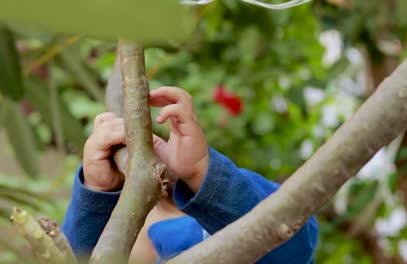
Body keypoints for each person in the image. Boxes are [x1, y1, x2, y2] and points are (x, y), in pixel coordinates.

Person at [62, 86, 319, 263]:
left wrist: (200, 173)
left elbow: (291, 241)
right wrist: (96, 194)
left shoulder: (205, 236)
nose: (153, 235)